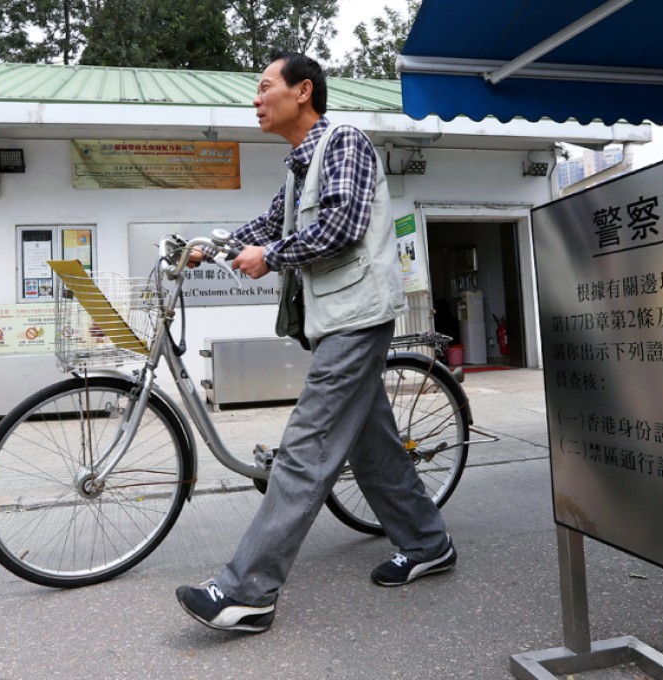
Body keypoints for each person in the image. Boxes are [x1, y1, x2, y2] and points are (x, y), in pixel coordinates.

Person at [175, 52, 454, 633]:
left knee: (306, 447)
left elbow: (340, 227)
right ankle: (428, 543)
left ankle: (246, 590)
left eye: (264, 86)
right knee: (371, 445)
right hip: (337, 320)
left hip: (357, 317)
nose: (256, 98)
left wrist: (270, 257)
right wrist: (210, 245)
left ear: (303, 92)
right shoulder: (297, 164)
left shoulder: (344, 141)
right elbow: (270, 225)